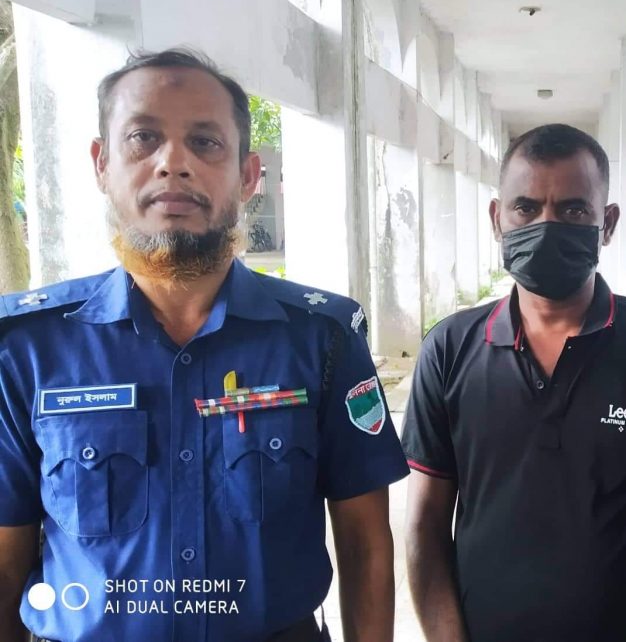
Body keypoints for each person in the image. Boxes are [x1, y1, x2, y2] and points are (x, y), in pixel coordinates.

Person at [0, 49, 408, 642]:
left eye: (205, 142)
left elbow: (366, 543)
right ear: (102, 164)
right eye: (143, 138)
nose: (173, 163)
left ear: (248, 174)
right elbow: (5, 561)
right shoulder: (27, 349)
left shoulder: (322, 338)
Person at [403, 123, 626, 642]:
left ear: (607, 223)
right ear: (497, 219)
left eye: (572, 210)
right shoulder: (449, 350)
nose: (546, 227)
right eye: (525, 209)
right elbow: (424, 526)